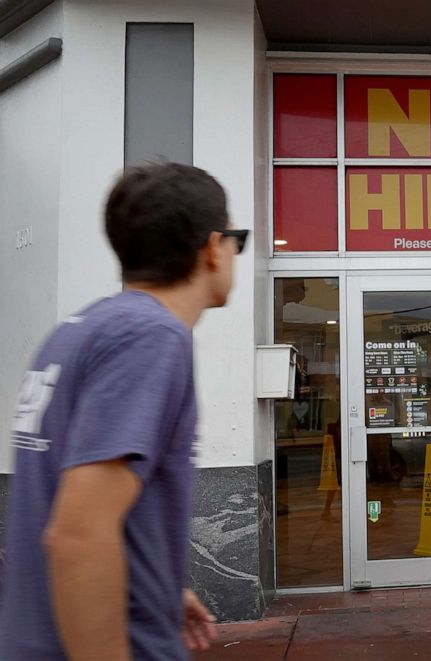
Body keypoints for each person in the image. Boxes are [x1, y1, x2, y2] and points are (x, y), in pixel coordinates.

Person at [0, 163, 248, 659]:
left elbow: (75, 498)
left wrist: (156, 591)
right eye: (236, 241)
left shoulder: (81, 330)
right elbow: (78, 532)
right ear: (212, 248)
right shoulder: (150, 338)